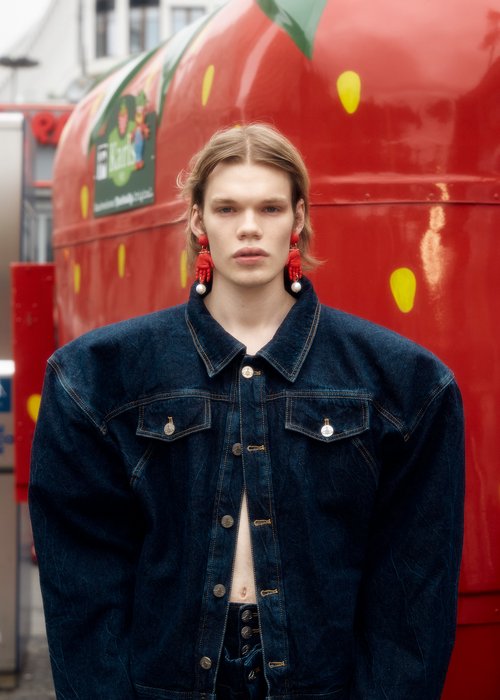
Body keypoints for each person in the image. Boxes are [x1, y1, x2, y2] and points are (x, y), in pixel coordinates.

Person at [29, 123, 465, 700]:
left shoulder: (404, 385)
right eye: (228, 207)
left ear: (298, 217)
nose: (250, 227)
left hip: (324, 683)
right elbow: (82, 582)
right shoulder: (97, 377)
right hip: (162, 682)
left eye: (270, 207)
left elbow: (413, 589)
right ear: (197, 219)